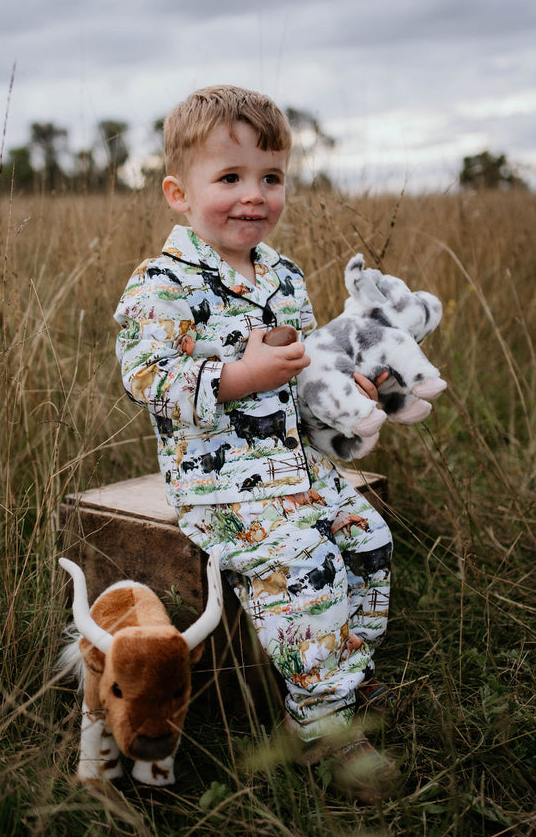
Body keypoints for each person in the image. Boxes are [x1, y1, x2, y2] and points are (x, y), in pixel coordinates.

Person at [114, 84, 398, 801]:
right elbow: (146, 378)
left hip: (299, 464)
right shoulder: (161, 286)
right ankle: (322, 730)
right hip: (223, 482)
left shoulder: (282, 275)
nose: (253, 196)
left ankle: (341, 678)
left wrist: (343, 389)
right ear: (179, 193)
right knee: (307, 567)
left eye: (269, 178)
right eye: (229, 178)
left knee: (367, 541)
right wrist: (237, 375)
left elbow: (300, 374)